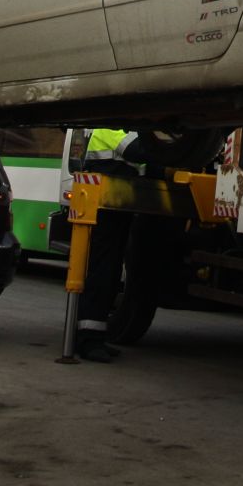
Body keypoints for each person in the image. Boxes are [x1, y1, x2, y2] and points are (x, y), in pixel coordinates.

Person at [69, 126, 158, 364]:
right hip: (102, 206)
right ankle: (87, 340)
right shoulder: (109, 126)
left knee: (110, 272)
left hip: (116, 206)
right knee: (101, 271)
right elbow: (135, 150)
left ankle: (97, 336)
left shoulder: (124, 127)